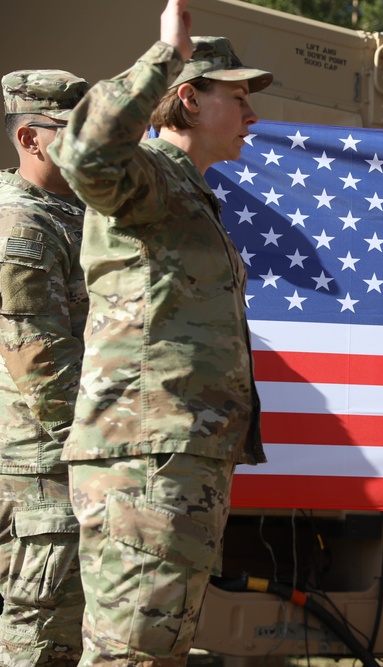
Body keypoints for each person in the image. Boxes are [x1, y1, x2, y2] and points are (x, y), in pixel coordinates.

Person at [47, 0, 270, 663]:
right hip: (146, 456)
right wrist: (164, 56)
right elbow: (83, 152)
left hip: (177, 457)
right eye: (238, 96)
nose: (252, 115)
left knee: (157, 647)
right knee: (133, 652)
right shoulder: (147, 177)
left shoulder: (188, 194)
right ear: (190, 100)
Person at [0, 68, 89, 665]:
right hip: (45, 469)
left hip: (58, 467)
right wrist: (101, 455)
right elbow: (41, 359)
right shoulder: (23, 223)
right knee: (42, 638)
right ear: (29, 138)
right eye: (72, 129)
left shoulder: (72, 212)